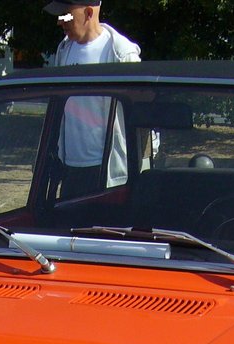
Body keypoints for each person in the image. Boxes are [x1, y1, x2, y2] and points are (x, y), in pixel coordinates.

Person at [43, 0, 142, 198]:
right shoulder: (64, 50)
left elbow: (141, 116)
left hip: (105, 170)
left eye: (66, 15)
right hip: (68, 166)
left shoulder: (120, 53)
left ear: (89, 13)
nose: (60, 22)